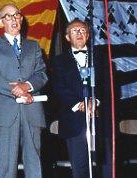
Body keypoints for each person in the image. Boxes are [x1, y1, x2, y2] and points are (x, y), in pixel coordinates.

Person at [0, 4, 48, 178]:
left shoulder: (34, 46)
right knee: (6, 162)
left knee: (34, 159)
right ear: (0, 22)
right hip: (4, 110)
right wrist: (16, 91)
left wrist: (26, 87)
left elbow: (41, 74)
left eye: (17, 15)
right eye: (8, 16)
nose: (14, 19)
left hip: (31, 109)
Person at [51, 19, 111, 178]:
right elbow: (58, 87)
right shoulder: (58, 61)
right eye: (74, 31)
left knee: (106, 167)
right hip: (74, 121)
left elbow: (107, 85)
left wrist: (95, 101)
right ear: (67, 37)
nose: (79, 33)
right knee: (79, 168)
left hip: (99, 121)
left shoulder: (101, 58)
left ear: (88, 35)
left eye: (83, 30)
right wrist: (79, 104)